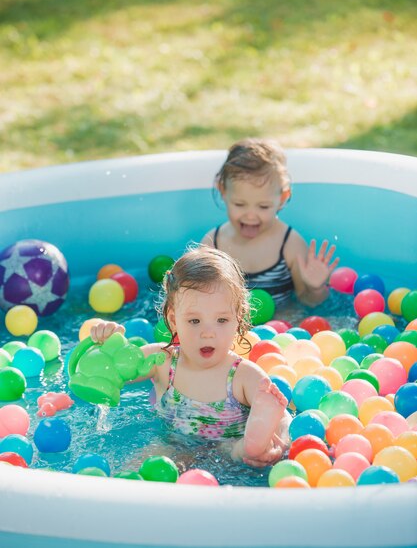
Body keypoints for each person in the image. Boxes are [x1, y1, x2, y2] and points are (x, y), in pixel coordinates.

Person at [90, 246, 291, 468]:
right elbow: (116, 367)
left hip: (227, 453)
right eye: (194, 321)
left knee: (240, 451)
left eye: (221, 320)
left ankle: (255, 444)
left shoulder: (243, 376)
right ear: (174, 320)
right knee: (142, 464)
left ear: (238, 319)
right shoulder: (162, 361)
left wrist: (280, 438)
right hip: (173, 446)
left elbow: (282, 415)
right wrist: (107, 345)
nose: (207, 333)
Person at [201, 138, 339, 309]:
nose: (251, 216)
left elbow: (307, 302)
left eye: (263, 206)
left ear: (282, 198)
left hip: (282, 330)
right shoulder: (212, 244)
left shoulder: (290, 244)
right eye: (239, 204)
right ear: (223, 192)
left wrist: (315, 288)